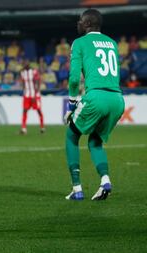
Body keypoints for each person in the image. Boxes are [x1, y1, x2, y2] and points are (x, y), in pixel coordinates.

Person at [64, 9, 125, 201]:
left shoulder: (79, 43)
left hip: (96, 96)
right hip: (117, 99)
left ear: (88, 23)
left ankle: (77, 188)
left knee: (71, 136)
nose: (78, 23)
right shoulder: (112, 43)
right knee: (95, 141)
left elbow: (74, 78)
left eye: (80, 20)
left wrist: (72, 103)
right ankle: (105, 181)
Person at [20, 61, 45, 134]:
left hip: (35, 95)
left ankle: (42, 127)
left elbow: (37, 82)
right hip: (27, 95)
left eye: (26, 64)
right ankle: (23, 128)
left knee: (38, 110)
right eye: (24, 64)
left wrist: (35, 94)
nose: (25, 65)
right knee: (24, 110)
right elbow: (23, 83)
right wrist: (24, 91)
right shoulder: (22, 73)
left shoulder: (34, 72)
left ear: (28, 65)